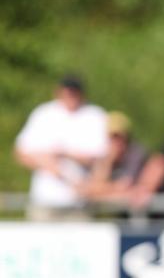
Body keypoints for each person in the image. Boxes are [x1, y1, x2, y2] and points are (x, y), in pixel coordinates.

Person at [13, 75, 108, 221]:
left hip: (79, 203)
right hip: (45, 201)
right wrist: (48, 164)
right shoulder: (43, 113)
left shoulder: (94, 115)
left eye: (74, 92)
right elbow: (21, 152)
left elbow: (102, 157)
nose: (71, 96)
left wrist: (65, 154)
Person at [78, 111, 148, 205]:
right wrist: (108, 161)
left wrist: (99, 191)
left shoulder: (136, 155)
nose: (116, 142)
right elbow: (90, 190)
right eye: (112, 137)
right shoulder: (103, 155)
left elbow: (125, 186)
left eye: (119, 137)